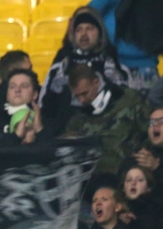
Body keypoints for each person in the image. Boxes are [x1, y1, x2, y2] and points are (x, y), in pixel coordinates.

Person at [39, 6, 132, 138]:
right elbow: (44, 107)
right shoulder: (59, 69)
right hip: (64, 137)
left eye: (89, 29)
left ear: (100, 33)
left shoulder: (115, 67)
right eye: (79, 30)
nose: (84, 34)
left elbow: (129, 102)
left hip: (106, 136)